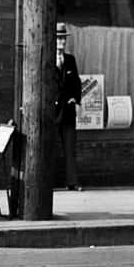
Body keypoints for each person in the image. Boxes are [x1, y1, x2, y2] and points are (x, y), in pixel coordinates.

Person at [55, 22, 83, 191]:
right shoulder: (47, 59)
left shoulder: (70, 60)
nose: (63, 42)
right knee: (48, 148)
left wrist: (76, 99)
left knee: (70, 148)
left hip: (67, 111)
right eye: (59, 38)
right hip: (51, 112)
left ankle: (72, 182)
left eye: (64, 39)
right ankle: (47, 183)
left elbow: (77, 83)